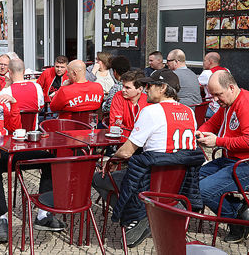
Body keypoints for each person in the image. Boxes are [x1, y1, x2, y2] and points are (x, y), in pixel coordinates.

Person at [93, 68, 204, 248]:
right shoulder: (189, 112)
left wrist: (110, 161)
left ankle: (140, 215)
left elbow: (127, 152)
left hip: (151, 181)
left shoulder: (151, 112)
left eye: (149, 85)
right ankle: (153, 213)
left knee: (98, 178)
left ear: (162, 88)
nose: (145, 89)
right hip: (178, 185)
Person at [0, 64, 65, 243]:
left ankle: (43, 214)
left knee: (49, 158)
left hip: (6, 150)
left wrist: (13, 105)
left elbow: (15, 128)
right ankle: (3, 217)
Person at [196, 70, 249, 243]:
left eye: (218, 95)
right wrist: (199, 133)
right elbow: (213, 123)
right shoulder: (228, 103)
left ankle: (237, 221)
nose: (216, 100)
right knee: (193, 180)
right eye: (213, 95)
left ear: (231, 88)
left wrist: (218, 141)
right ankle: (239, 209)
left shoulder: (245, 103)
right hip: (231, 159)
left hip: (244, 163)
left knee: (204, 189)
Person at [109, 70, 149, 136]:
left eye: (127, 88)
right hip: (123, 138)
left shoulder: (147, 100)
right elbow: (114, 124)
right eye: (123, 86)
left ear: (140, 89)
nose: (123, 90)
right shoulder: (118, 96)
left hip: (142, 139)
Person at [198, 52, 229, 118]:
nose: (203, 63)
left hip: (212, 109)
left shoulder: (206, 73)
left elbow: (195, 87)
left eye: (204, 60)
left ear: (210, 62)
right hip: (226, 108)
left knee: (192, 111)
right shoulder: (227, 71)